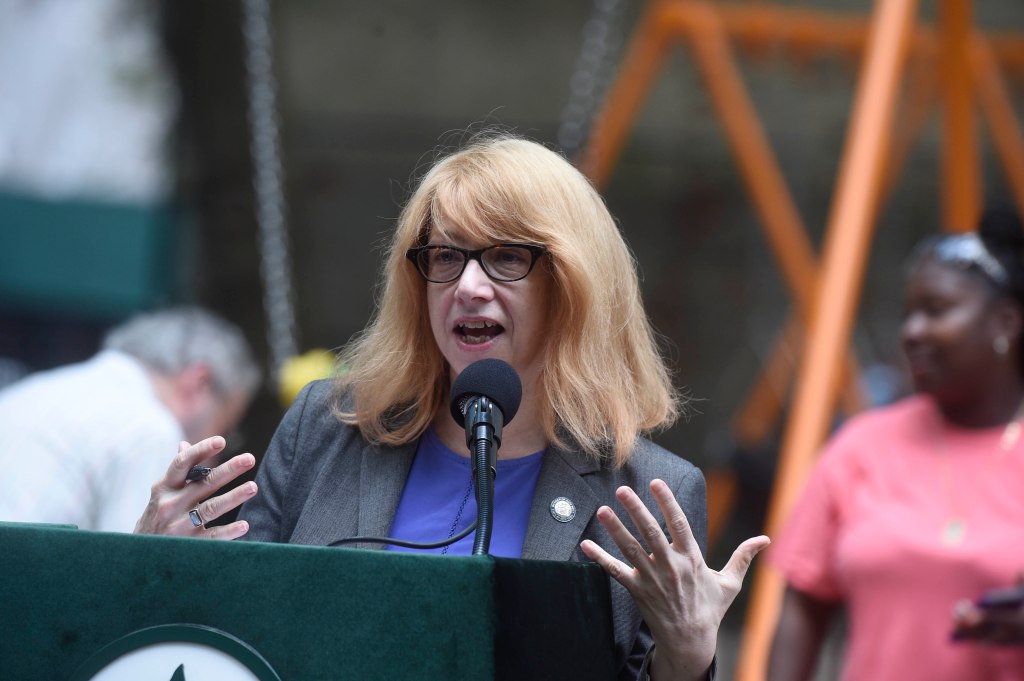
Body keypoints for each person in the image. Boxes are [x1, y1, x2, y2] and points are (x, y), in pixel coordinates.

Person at [135, 133, 769, 681]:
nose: (468, 286)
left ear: (573, 287)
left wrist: (687, 657)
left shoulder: (647, 489)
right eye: (446, 256)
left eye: (506, 257)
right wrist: (159, 565)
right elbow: (229, 639)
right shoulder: (329, 427)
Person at [766, 205, 1024, 681]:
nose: (912, 332)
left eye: (937, 310)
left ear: (1005, 322)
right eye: (909, 314)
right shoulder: (861, 446)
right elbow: (801, 610)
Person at [0, 306, 259, 532]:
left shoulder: (34, 389)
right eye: (224, 432)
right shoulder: (150, 430)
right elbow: (129, 571)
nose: (212, 461)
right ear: (199, 384)